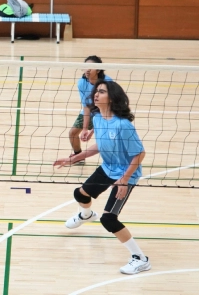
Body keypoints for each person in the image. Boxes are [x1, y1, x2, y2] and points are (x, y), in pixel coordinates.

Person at [54, 80, 150, 275]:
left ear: (112, 98)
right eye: (96, 91)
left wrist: (124, 180)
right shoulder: (97, 118)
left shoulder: (124, 126)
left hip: (125, 173)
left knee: (109, 219)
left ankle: (140, 258)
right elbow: (99, 146)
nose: (96, 94)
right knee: (80, 194)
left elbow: (139, 154)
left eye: (102, 92)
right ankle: (87, 214)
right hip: (108, 167)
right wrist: (73, 159)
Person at [68, 55, 112, 165]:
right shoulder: (82, 83)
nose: (87, 70)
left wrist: (93, 130)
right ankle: (78, 156)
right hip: (91, 111)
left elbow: (110, 105)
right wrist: (84, 129)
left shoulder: (107, 82)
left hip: (106, 111)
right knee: (72, 133)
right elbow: (86, 106)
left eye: (90, 67)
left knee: (105, 138)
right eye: (85, 67)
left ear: (97, 70)